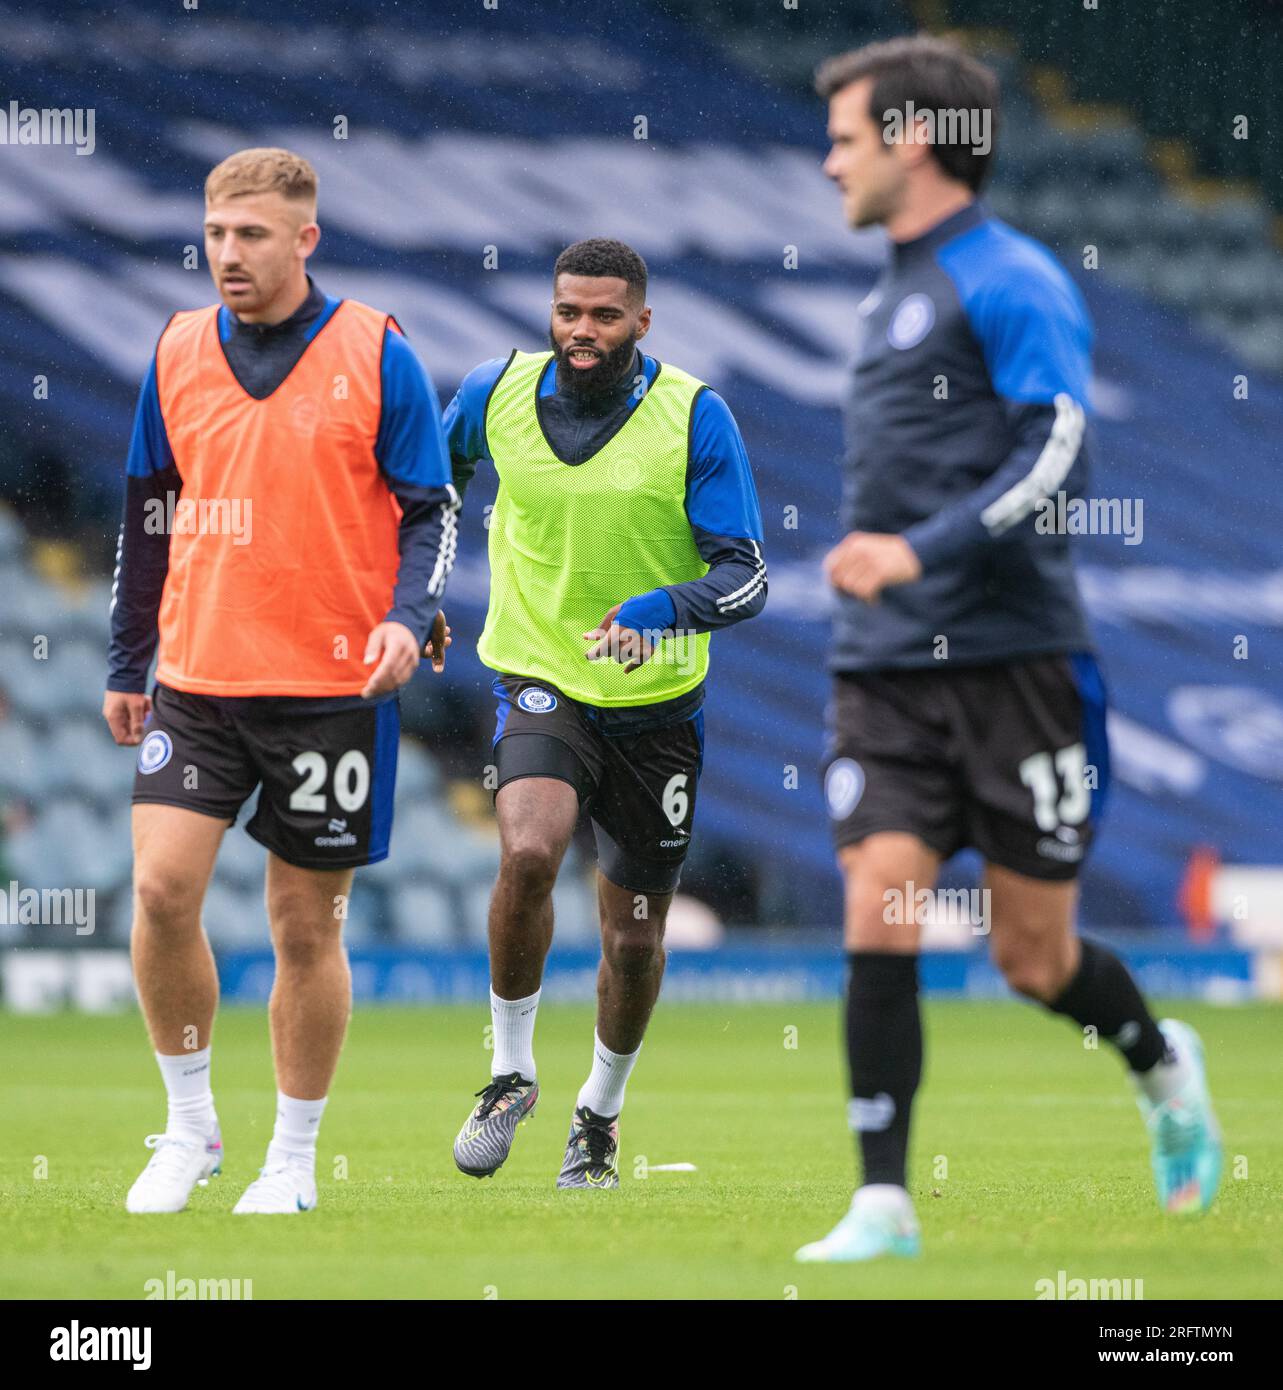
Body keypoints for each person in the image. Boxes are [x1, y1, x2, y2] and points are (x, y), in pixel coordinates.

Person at [795, 37, 1221, 1263]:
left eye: (843, 136)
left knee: (1031, 956)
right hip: (882, 667)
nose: (828, 162)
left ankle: (1157, 1057)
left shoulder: (1012, 276)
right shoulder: (884, 288)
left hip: (1016, 665)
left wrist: (916, 551)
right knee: (879, 895)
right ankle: (881, 1199)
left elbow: (1057, 459)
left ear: (912, 139)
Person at [104, 147, 456, 1216]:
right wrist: (129, 660)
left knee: (304, 928)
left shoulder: (374, 349)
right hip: (199, 680)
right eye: (215, 235)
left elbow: (431, 511)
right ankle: (189, 1125)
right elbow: (145, 515)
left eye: (251, 236)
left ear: (305, 239)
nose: (227, 256)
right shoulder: (173, 350)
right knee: (163, 892)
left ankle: (292, 1156)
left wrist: (407, 617)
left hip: (329, 693)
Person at [443, 238, 766, 1188]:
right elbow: (428, 484)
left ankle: (599, 1116)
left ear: (641, 321)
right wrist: (416, 596)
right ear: (550, 310)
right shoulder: (494, 392)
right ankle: (508, 1074)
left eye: (604, 316)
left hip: (657, 706)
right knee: (530, 849)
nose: (582, 332)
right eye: (568, 312)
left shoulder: (694, 416)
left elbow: (745, 575)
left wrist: (662, 611)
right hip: (542, 675)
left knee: (632, 939)